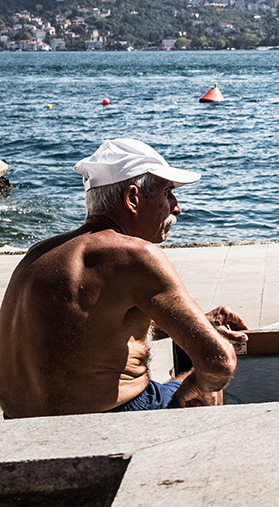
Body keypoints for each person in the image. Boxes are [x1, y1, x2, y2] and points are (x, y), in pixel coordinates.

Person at [0, 138, 248, 418]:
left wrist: (198, 322)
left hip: (21, 424)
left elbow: (91, 329)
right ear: (132, 199)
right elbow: (219, 363)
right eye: (168, 193)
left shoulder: (38, 255)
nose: (176, 207)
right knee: (208, 388)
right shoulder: (135, 255)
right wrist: (197, 385)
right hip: (111, 420)